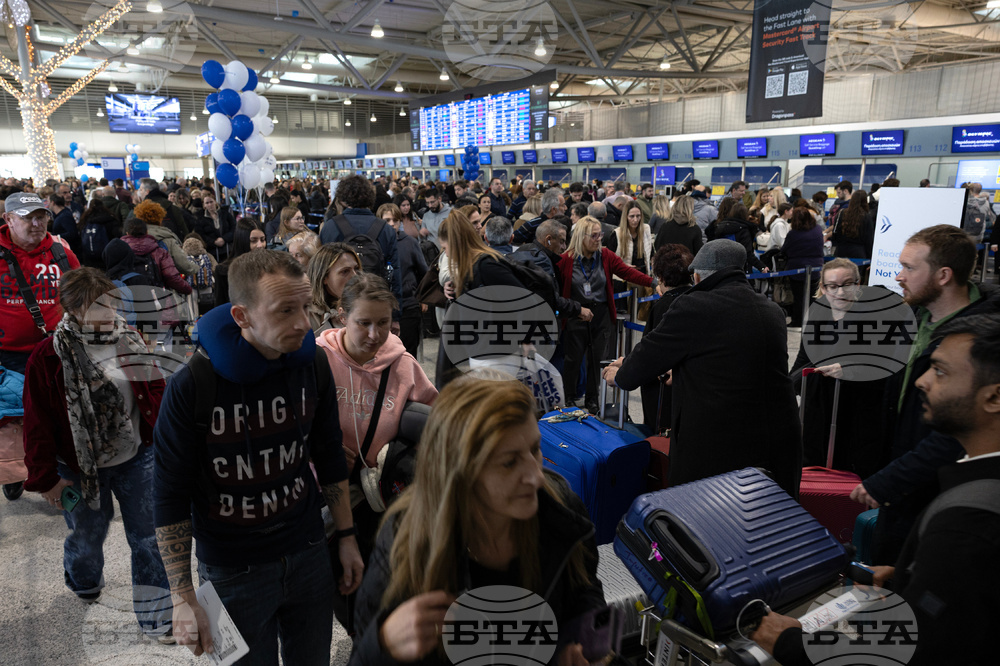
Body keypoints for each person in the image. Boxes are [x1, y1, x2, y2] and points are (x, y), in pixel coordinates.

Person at [753, 313, 1000, 666]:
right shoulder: (974, 488)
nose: (922, 381)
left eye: (941, 371)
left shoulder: (966, 527)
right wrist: (912, 580)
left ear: (994, 397)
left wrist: (792, 643)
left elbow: (913, 651)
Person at [153, 250, 362, 662]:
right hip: (233, 570)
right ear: (241, 316)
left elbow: (328, 454)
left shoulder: (313, 365)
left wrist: (347, 536)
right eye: (285, 310)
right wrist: (181, 595)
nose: (304, 323)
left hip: (307, 549)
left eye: (305, 306)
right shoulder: (193, 386)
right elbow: (168, 494)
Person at [351, 375, 607, 666]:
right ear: (461, 474)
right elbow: (361, 654)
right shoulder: (407, 538)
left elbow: (584, 589)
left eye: (535, 450)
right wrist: (384, 643)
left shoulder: (559, 507)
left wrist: (584, 644)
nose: (536, 476)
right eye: (509, 462)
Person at [22, 268, 173, 638]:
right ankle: (82, 576)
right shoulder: (48, 357)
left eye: (111, 303)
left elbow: (154, 392)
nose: (108, 313)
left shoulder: (129, 339)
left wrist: (168, 443)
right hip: (77, 465)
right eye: (96, 307)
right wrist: (47, 479)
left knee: (150, 539)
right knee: (88, 539)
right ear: (72, 310)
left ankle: (156, 616)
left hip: (138, 457)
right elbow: (36, 422)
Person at [603, 239, 802, 497]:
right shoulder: (772, 311)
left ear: (697, 276)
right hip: (776, 447)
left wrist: (620, 372)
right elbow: (728, 359)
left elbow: (641, 364)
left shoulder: (694, 306)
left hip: (716, 451)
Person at [850, 225, 999, 565]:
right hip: (901, 487)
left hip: (941, 492)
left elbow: (959, 432)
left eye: (909, 268)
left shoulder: (980, 341)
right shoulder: (917, 317)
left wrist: (891, 479)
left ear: (944, 275)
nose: (899, 276)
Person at [315, 273, 436, 622]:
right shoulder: (318, 360)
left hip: (384, 498)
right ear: (342, 317)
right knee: (343, 588)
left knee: (387, 590)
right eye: (363, 323)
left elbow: (436, 422)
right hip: (327, 497)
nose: (374, 335)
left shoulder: (403, 365)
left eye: (383, 323)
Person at [789, 259, 889, 478]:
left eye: (847, 284)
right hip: (817, 410)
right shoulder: (818, 315)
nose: (840, 291)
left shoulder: (874, 318)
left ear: (858, 284)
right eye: (832, 286)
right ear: (823, 288)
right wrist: (788, 387)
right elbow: (803, 361)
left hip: (855, 414)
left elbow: (884, 370)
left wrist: (851, 370)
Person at [557, 216, 653, 413]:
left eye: (600, 234)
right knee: (572, 360)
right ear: (581, 237)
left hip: (600, 315)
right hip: (576, 314)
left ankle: (593, 400)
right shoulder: (566, 260)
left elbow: (627, 273)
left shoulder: (606, 256)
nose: (598, 239)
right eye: (593, 235)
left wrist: (652, 283)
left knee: (596, 359)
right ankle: (568, 398)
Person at [0, 191, 80, 374]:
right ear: (8, 219)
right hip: (8, 359)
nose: (37, 224)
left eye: (41, 217)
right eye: (28, 218)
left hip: (58, 349)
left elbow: (81, 298)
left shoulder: (63, 255)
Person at [639, 244, 693, 432]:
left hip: (663, 391)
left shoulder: (663, 306)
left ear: (661, 277)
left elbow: (649, 352)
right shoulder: (700, 299)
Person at [377, 204, 427, 356]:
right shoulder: (374, 244)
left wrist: (423, 298)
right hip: (381, 307)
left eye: (395, 220)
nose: (392, 224)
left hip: (408, 304)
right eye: (387, 220)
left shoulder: (410, 243)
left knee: (408, 352)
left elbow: (423, 272)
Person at [783, 207, 825, 327]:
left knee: (798, 297)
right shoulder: (817, 230)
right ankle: (812, 320)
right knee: (813, 296)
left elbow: (785, 249)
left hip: (797, 268)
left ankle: (797, 320)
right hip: (816, 267)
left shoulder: (793, 234)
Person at [307, 242, 362, 334]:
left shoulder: (366, 305)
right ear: (324, 277)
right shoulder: (307, 315)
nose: (355, 276)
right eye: (345, 271)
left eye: (356, 269)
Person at [212, 218, 266, 310]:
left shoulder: (270, 267)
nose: (260, 245)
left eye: (263, 239)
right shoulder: (224, 271)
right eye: (253, 241)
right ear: (242, 241)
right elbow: (220, 308)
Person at [709, 203, 768, 273]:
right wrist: (761, 267)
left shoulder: (719, 227)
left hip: (720, 266)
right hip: (739, 268)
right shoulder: (743, 230)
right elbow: (747, 253)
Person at [828, 189, 871, 259]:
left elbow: (835, 233)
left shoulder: (841, 213)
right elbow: (869, 239)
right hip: (858, 252)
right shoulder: (866, 216)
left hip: (841, 251)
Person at [192, 193, 235, 261]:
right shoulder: (200, 219)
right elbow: (200, 234)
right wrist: (213, 242)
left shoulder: (225, 214)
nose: (210, 204)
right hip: (212, 252)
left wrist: (224, 239)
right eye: (207, 203)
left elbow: (233, 228)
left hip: (228, 249)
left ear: (215, 201)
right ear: (204, 205)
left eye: (211, 202)